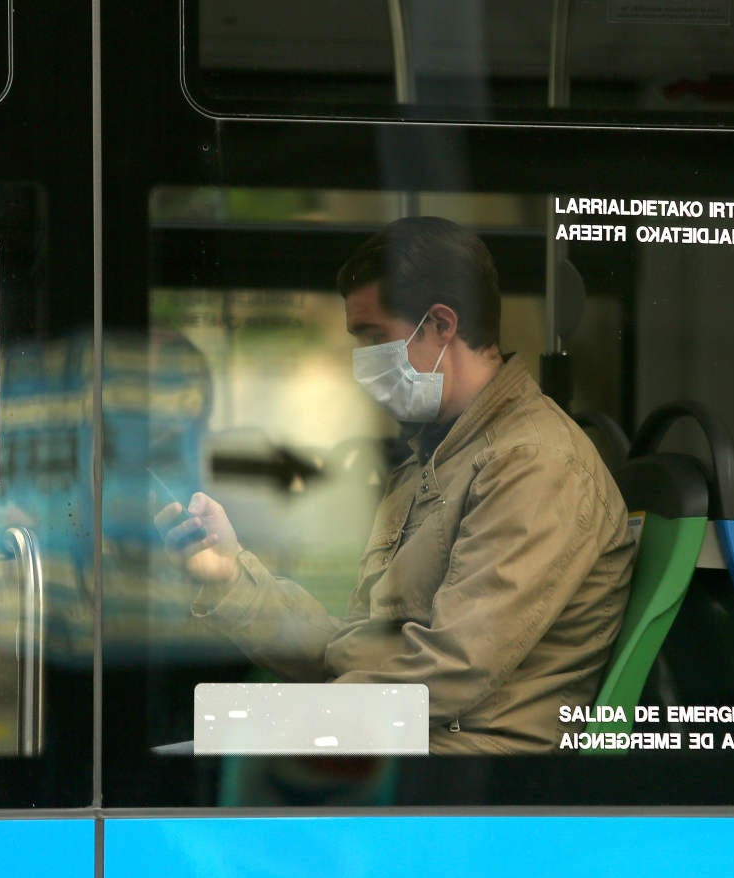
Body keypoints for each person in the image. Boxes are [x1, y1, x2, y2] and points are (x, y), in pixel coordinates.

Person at [157, 216, 634, 753]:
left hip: (469, 759)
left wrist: (283, 722)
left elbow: (451, 671)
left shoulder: (532, 463)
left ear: (441, 324)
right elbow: (351, 646)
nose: (362, 362)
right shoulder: (432, 458)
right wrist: (230, 577)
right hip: (413, 739)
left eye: (374, 337)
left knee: (180, 766)